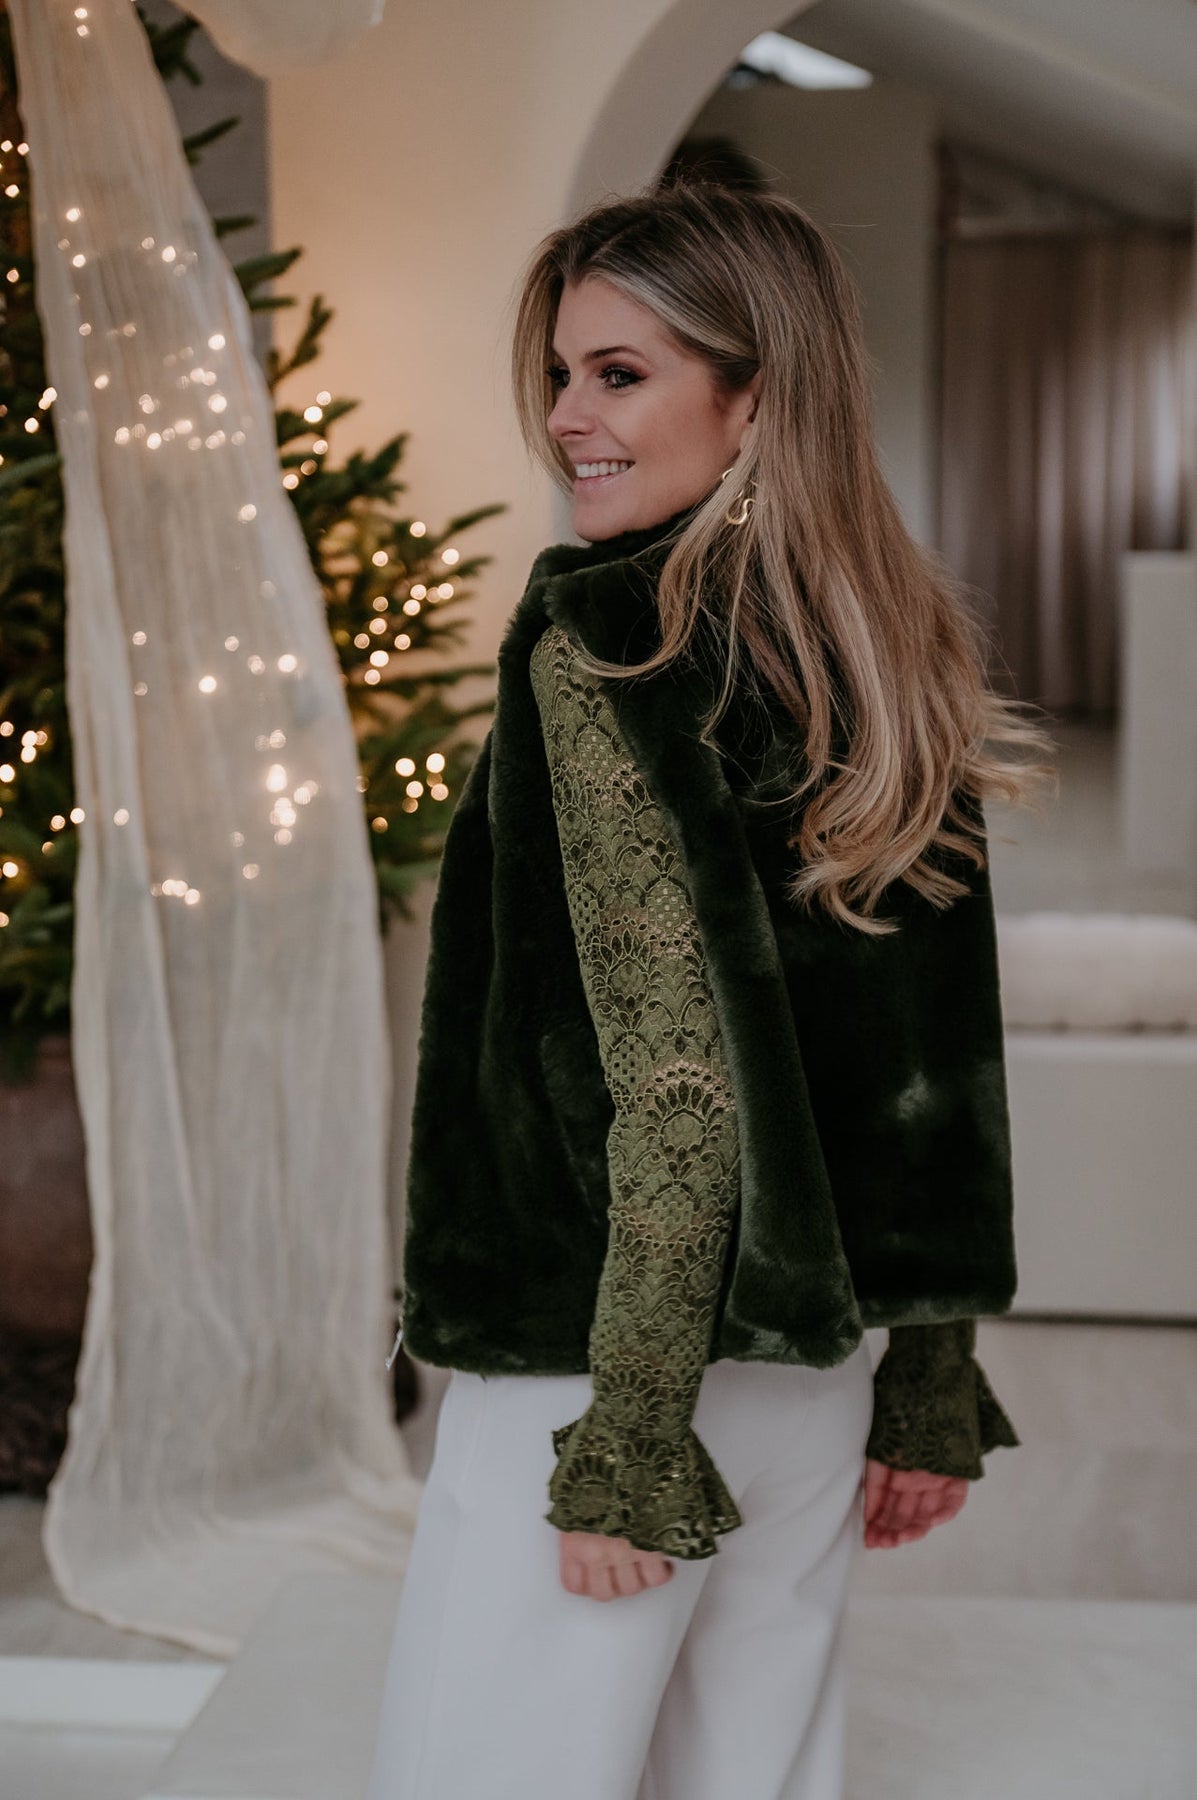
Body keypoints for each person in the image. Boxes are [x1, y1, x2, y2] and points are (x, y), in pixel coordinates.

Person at [364, 182, 1055, 1800]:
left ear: (755, 398)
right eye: (562, 373)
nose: (565, 418)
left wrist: (628, 1434)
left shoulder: (605, 642)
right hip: (808, 1380)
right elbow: (935, 1065)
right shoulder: (888, 647)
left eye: (620, 374)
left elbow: (673, 1088)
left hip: (601, 1363)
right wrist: (926, 1372)